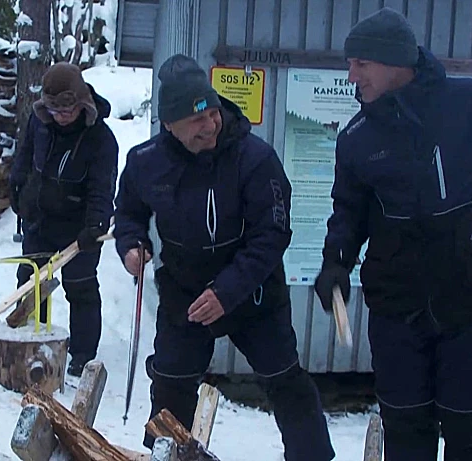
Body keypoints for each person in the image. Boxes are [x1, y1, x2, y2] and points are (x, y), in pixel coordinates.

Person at [313, 8, 472, 461]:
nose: (351, 75)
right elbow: (348, 212)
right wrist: (336, 263)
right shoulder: (358, 137)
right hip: (398, 306)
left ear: (394, 61)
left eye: (361, 63)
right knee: (405, 425)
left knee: (471, 427)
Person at [114, 53, 335, 461]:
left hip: (252, 291)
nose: (210, 125)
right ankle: (166, 456)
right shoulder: (146, 163)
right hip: (185, 290)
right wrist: (131, 244)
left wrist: (227, 291)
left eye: (212, 113)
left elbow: (273, 233)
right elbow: (128, 212)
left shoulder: (256, 159)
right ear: (169, 124)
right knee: (170, 382)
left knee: (285, 380)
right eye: (196, 119)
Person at [10, 62, 118, 377]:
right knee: (32, 282)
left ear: (81, 102)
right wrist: (17, 188)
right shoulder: (39, 122)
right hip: (40, 219)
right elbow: (25, 156)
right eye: (54, 110)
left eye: (67, 110)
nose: (60, 116)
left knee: (80, 287)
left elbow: (102, 188)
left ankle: (82, 355)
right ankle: (33, 341)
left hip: (79, 226)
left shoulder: (101, 139)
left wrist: (95, 225)